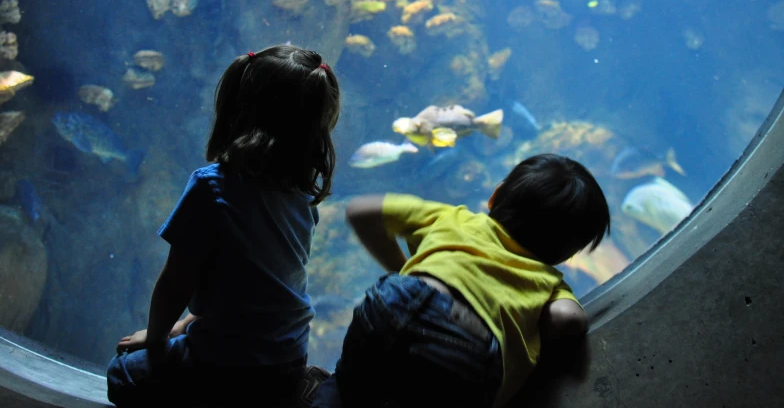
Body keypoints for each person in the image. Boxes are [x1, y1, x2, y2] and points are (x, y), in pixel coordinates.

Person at [106, 45, 340, 408]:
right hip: (287, 360)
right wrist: (179, 327)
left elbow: (175, 283)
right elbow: (251, 287)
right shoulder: (300, 195)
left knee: (122, 373)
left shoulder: (211, 186)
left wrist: (154, 339)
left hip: (225, 363)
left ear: (236, 111)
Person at [313, 153, 611, 408]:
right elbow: (566, 319)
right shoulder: (547, 279)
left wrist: (405, 271)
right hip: (465, 344)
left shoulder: (454, 217)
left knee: (349, 387)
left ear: (495, 196)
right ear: (567, 254)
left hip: (393, 301)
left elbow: (361, 211)